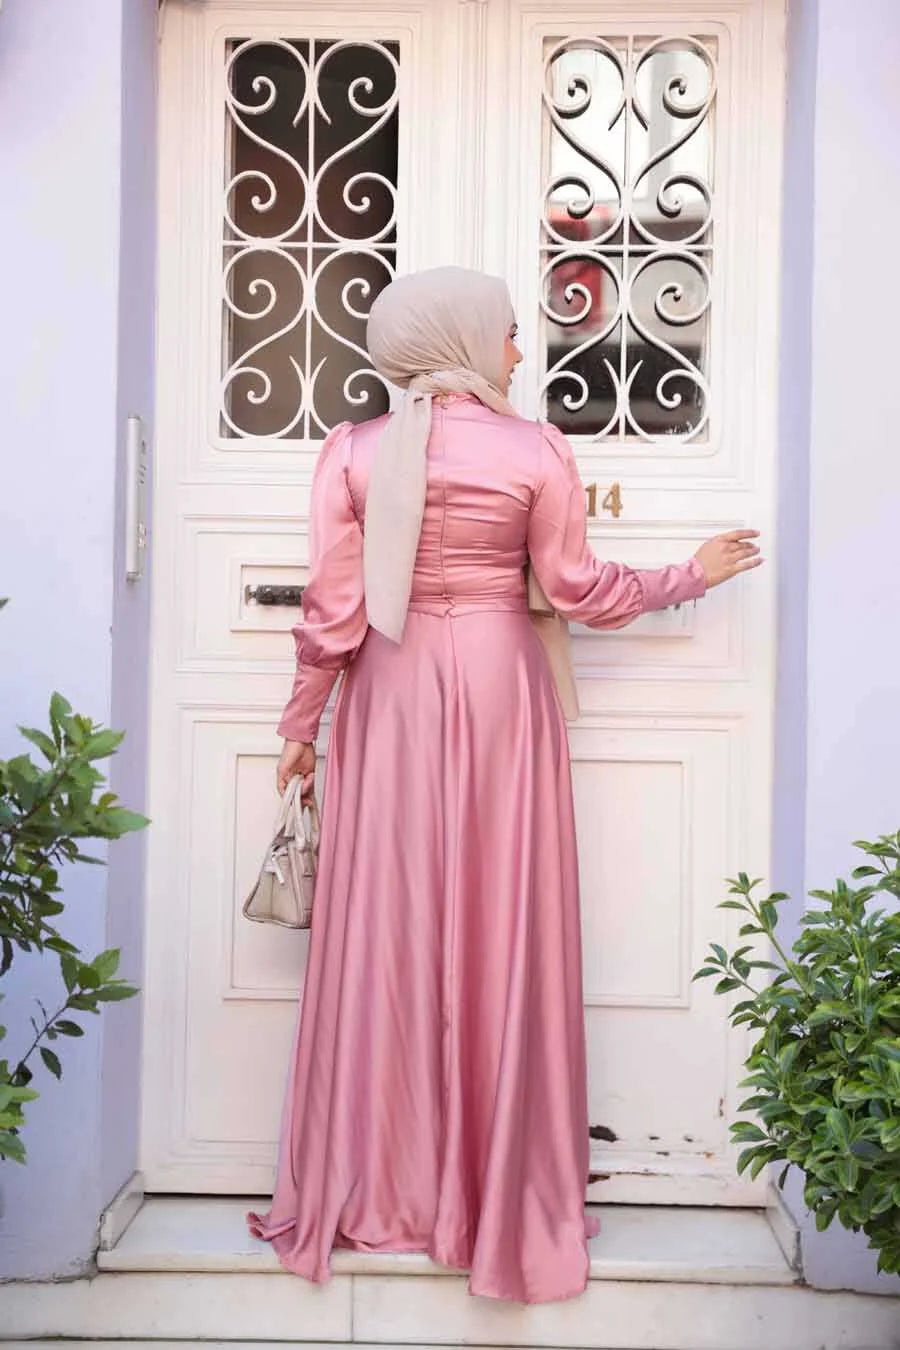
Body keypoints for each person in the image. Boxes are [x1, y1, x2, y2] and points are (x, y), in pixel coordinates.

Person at [247, 266, 762, 1304]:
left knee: (391, 923)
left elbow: (332, 614)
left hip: (391, 692)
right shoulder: (535, 450)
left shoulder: (352, 452)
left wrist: (301, 726)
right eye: (511, 334)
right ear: (464, 338)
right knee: (500, 919)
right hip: (498, 690)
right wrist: (688, 574)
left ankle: (386, 1180)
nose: (520, 353)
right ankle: (492, 1188)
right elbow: (575, 587)